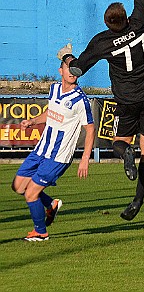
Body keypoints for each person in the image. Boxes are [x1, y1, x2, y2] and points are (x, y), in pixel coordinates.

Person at [57, 0, 144, 222]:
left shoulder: (103, 42)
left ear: (108, 24)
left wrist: (67, 57)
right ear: (126, 18)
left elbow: (76, 71)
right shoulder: (139, 23)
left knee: (118, 141)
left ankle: (124, 152)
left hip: (128, 101)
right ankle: (138, 200)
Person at [11, 61, 95, 241]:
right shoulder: (54, 88)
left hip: (59, 156)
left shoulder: (80, 100)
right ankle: (51, 204)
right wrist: (33, 121)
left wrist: (85, 158)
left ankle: (41, 232)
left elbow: (90, 128)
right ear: (60, 71)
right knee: (18, 187)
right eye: (69, 68)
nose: (72, 72)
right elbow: (51, 112)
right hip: (41, 150)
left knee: (31, 194)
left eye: (75, 69)